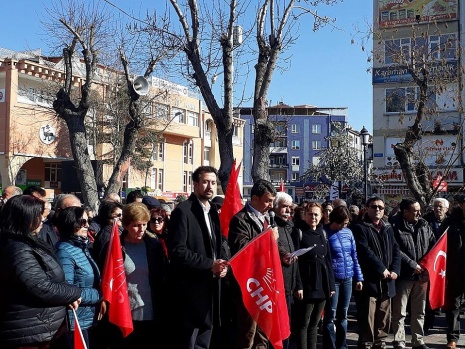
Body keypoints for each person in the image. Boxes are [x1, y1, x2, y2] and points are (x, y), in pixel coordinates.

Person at [0, 195, 82, 348]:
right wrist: (74, 292)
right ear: (25, 218)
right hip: (29, 333)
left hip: (43, 328)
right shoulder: (18, 249)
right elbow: (40, 287)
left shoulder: (28, 242)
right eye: (38, 215)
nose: (42, 220)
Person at [167, 166, 229, 349]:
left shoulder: (212, 212)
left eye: (213, 182)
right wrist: (210, 265)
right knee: (189, 342)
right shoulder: (183, 211)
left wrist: (223, 265)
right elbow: (178, 251)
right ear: (195, 184)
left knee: (205, 342)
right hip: (190, 293)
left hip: (211, 291)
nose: (210, 186)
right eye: (205, 182)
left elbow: (217, 246)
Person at [228, 178, 278, 349]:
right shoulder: (240, 220)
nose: (270, 206)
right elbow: (242, 249)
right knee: (248, 333)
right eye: (267, 201)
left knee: (263, 334)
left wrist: (285, 255)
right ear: (255, 198)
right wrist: (267, 239)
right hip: (249, 287)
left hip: (266, 285)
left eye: (272, 201)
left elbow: (273, 246)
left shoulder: (267, 219)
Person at [352, 196, 401, 349]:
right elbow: (365, 251)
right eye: (374, 207)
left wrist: (394, 270)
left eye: (380, 207)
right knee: (368, 315)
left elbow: (396, 250)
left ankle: (380, 342)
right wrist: (382, 269)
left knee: (384, 316)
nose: (377, 209)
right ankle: (366, 343)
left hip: (387, 281)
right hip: (369, 280)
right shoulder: (360, 227)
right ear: (367, 208)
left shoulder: (387, 227)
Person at [390, 198, 436, 349]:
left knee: (419, 311)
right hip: (404, 275)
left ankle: (418, 340)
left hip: (422, 276)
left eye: (419, 210)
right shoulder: (395, 226)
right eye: (415, 210)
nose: (418, 213)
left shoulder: (425, 225)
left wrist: (426, 265)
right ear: (405, 212)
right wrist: (412, 264)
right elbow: (396, 249)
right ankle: (399, 340)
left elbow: (432, 245)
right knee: (399, 311)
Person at [55, 206, 103, 349]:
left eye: (88, 220)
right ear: (71, 223)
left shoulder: (81, 247)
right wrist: (100, 294)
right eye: (83, 221)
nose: (87, 225)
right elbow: (68, 292)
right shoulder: (64, 251)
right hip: (74, 322)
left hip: (87, 318)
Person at [291, 201, 335, 349]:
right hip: (306, 284)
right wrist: (298, 285)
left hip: (321, 285)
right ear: (304, 215)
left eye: (316, 214)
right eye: (310, 214)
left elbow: (328, 260)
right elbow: (295, 261)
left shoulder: (323, 232)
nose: (313, 217)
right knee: (303, 323)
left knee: (315, 324)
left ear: (321, 216)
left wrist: (331, 284)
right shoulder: (298, 232)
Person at [323, 205, 363, 349]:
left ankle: (342, 346)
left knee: (343, 314)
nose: (345, 226)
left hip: (348, 277)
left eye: (347, 223)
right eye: (343, 223)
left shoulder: (348, 233)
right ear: (336, 220)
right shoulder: (324, 232)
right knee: (330, 315)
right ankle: (330, 346)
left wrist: (359, 277)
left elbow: (354, 256)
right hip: (333, 279)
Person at [273, 192, 302, 349]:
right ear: (275, 207)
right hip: (277, 287)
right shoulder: (271, 226)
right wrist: (284, 255)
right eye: (284, 207)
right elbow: (275, 245)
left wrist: (298, 284)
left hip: (290, 288)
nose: (288, 211)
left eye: (290, 208)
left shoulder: (290, 227)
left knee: (288, 329)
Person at [437, 195, 465, 349]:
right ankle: (452, 339)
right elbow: (439, 244)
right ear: (462, 205)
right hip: (455, 270)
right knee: (453, 306)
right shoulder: (450, 222)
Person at [423, 197, 449, 332]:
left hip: (446, 261)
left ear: (447, 209)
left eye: (441, 206)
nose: (438, 209)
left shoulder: (451, 223)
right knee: (429, 292)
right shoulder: (425, 222)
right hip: (431, 261)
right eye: (436, 206)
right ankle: (428, 322)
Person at [91, 200, 124, 270]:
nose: (121, 218)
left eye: (122, 214)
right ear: (108, 216)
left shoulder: (118, 231)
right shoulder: (106, 235)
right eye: (118, 215)